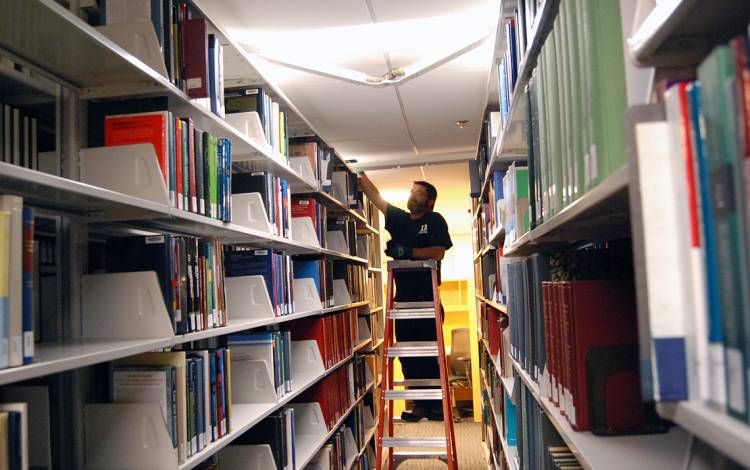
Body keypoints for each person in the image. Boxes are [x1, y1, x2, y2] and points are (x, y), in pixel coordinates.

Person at [358, 174, 453, 421]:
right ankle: (419, 405)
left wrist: (409, 252)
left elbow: (439, 252)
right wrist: (359, 175)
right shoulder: (400, 219)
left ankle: (436, 406)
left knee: (429, 354)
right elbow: (376, 196)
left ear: (429, 201)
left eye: (418, 192)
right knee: (408, 355)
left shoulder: (434, 220)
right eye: (411, 191)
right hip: (403, 302)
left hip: (427, 300)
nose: (412, 195)